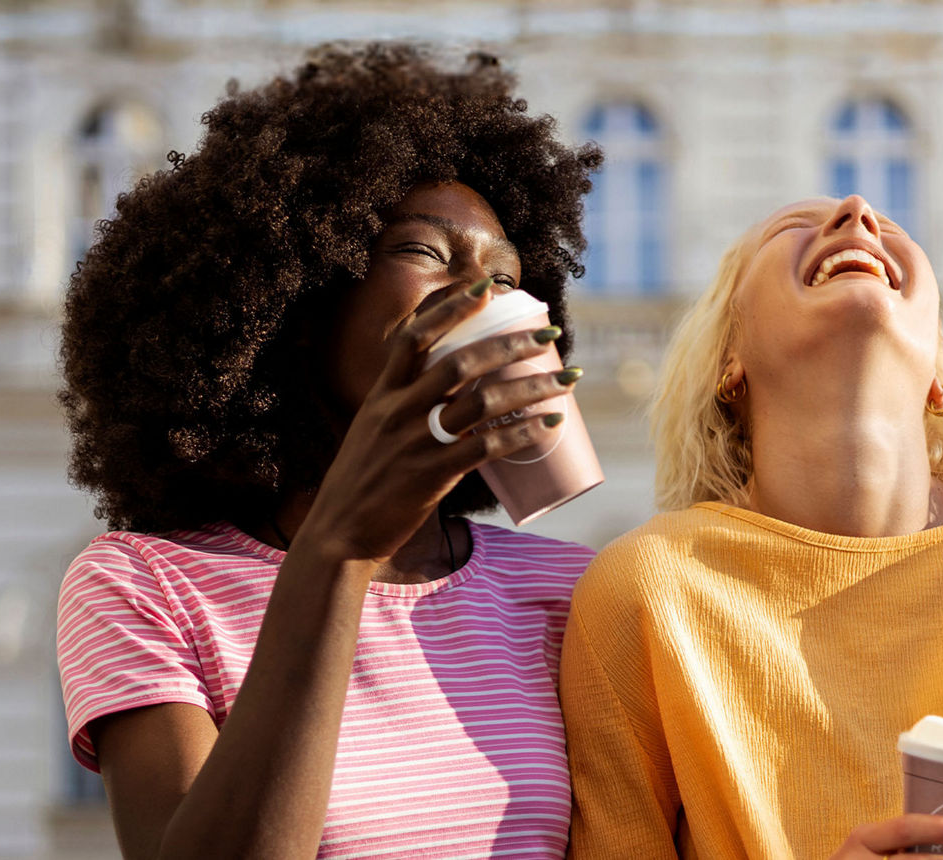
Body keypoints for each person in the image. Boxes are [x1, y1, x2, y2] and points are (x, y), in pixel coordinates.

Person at [56, 43, 602, 859]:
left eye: (509, 277)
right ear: (298, 292)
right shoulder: (145, 585)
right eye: (423, 251)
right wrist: (341, 549)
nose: (483, 295)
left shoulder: (573, 592)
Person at [559, 194, 943, 858]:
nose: (858, 214)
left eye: (889, 230)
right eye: (791, 229)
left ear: (937, 379)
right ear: (730, 358)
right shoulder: (641, 590)